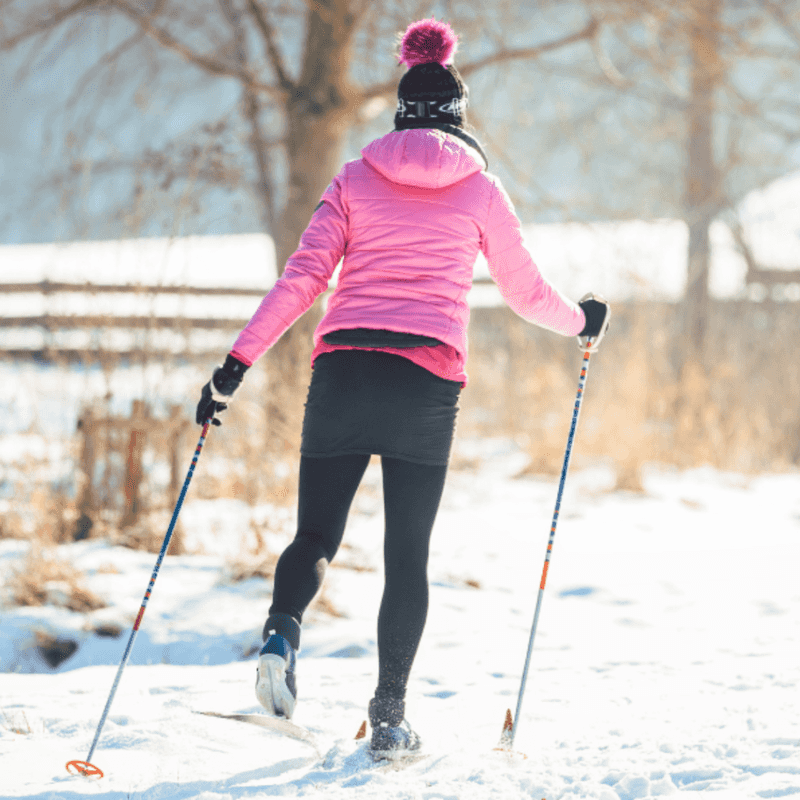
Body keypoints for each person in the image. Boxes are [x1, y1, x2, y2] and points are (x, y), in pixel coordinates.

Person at [195, 18, 610, 760]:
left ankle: (281, 634)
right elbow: (524, 293)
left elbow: (302, 280)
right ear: (457, 114)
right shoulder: (481, 191)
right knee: (406, 557)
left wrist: (235, 364)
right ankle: (389, 718)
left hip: (344, 370)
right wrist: (584, 320)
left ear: (399, 112)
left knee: (315, 537)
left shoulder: (354, 178)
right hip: (426, 382)